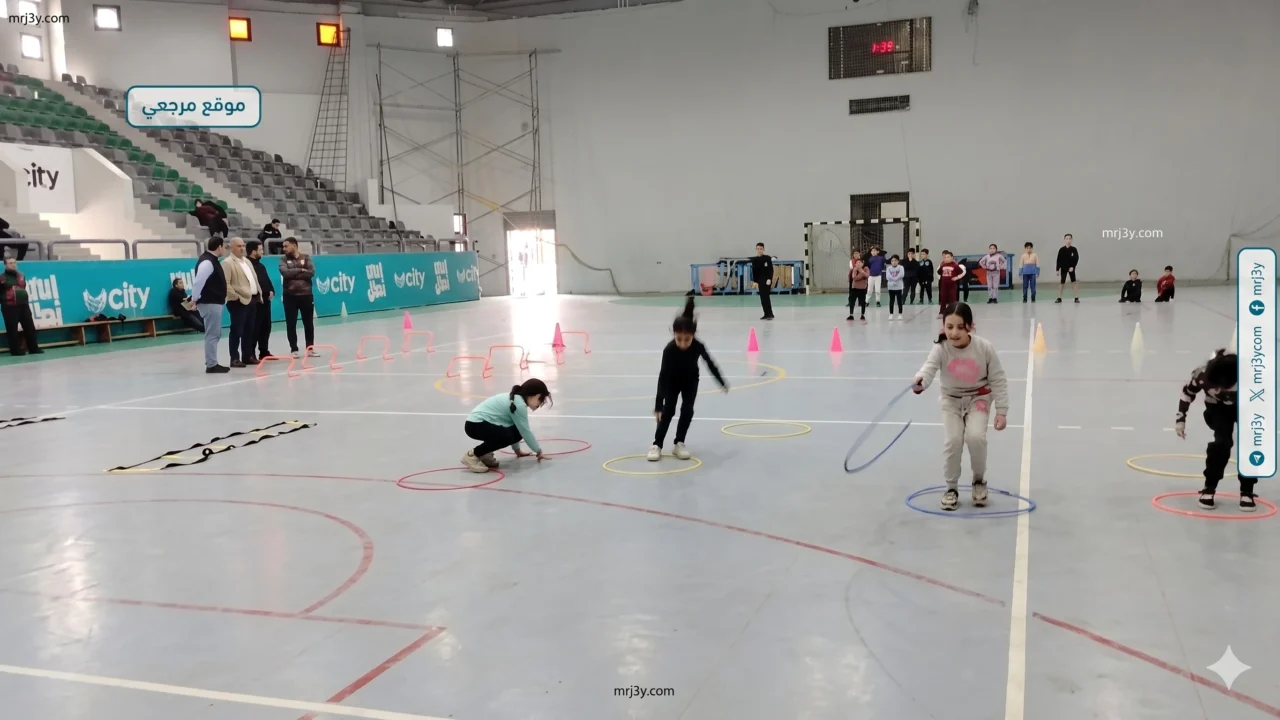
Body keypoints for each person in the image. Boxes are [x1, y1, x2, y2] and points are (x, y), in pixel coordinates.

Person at [912, 302, 1010, 511]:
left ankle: (978, 481)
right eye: (949, 327)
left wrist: (1001, 411)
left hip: (979, 399)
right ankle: (951, 488)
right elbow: (928, 369)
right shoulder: (941, 348)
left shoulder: (984, 348)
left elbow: (998, 379)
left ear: (970, 326)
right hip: (951, 400)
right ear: (943, 327)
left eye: (959, 327)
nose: (954, 333)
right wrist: (920, 381)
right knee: (953, 441)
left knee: (976, 438)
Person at [648, 297, 729, 462]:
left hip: (690, 381)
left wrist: (721, 381)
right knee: (668, 411)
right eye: (679, 339)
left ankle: (679, 443)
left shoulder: (698, 346)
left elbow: (710, 363)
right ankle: (657, 444)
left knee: (687, 410)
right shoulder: (669, 350)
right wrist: (658, 404)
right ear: (673, 334)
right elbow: (663, 376)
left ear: (693, 335)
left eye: (687, 339)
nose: (683, 344)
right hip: (672, 381)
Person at [1176, 350, 1255, 511]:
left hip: (1246, 406)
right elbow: (1187, 393)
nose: (1219, 389)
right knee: (1222, 443)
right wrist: (1180, 419)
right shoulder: (1202, 375)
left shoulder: (1251, 376)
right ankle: (1209, 488)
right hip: (1217, 409)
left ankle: (1247, 490)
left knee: (1250, 444)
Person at [462, 379, 553, 473]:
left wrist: (517, 450)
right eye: (541, 400)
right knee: (506, 435)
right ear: (537, 396)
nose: (540, 405)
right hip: (475, 425)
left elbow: (515, 428)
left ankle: (484, 453)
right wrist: (538, 451)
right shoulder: (519, 404)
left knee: (514, 433)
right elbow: (525, 431)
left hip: (476, 424)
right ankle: (472, 455)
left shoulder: (516, 400)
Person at [191, 237, 229, 373]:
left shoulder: (212, 260)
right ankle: (212, 364)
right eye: (224, 246)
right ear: (219, 247)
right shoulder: (207, 262)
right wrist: (194, 298)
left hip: (214, 302)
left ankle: (212, 362)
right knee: (212, 334)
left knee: (215, 333)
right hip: (210, 302)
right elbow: (199, 281)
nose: (225, 249)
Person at [221, 237, 260, 367]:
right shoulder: (227, 263)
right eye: (239, 246)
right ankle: (234, 358)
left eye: (243, 245)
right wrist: (236, 296)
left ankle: (247, 355)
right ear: (231, 248)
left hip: (251, 299)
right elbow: (225, 283)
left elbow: (253, 279)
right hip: (238, 301)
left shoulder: (247, 261)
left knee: (250, 330)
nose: (242, 248)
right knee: (237, 330)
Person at [279, 237, 318, 358]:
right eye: (283, 246)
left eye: (286, 246)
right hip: (289, 296)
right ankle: (294, 349)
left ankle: (310, 348)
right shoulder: (283, 259)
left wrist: (293, 273)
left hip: (306, 295)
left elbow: (311, 272)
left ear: (294, 246)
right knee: (291, 323)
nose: (284, 249)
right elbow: (285, 273)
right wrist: (301, 270)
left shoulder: (306, 257)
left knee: (308, 323)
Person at [1, 257, 41, 355]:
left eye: (14, 262)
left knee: (29, 327)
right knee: (12, 329)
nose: (13, 265)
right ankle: (15, 350)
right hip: (9, 307)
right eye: (10, 263)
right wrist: (4, 300)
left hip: (23, 305)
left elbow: (23, 287)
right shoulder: (2, 278)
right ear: (5, 265)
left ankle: (33, 348)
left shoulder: (21, 275)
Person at [247, 240, 275, 359]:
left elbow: (266, 280)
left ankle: (264, 351)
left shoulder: (261, 266)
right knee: (255, 327)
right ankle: (251, 353)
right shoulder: (248, 265)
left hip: (265, 301)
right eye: (260, 250)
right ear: (254, 252)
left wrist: (271, 290)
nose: (262, 252)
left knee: (266, 326)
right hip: (255, 301)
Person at [936, 250, 966, 318]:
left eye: (948, 257)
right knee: (943, 299)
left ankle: (953, 312)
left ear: (952, 257)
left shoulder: (955, 265)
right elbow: (939, 272)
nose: (946, 259)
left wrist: (957, 277)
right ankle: (942, 312)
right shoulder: (943, 265)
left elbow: (961, 272)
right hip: (944, 286)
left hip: (952, 285)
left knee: (952, 299)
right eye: (945, 257)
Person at [750, 242, 775, 321]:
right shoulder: (755, 260)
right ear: (756, 249)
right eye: (758, 249)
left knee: (766, 296)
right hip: (760, 280)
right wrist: (755, 281)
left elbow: (770, 269)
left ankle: (770, 313)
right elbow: (754, 271)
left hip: (766, 280)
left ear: (763, 249)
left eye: (761, 249)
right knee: (762, 297)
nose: (759, 250)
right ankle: (766, 313)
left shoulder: (767, 258)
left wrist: (769, 279)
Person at [1055, 233, 1079, 303]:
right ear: (1064, 240)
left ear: (1071, 240)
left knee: (1074, 282)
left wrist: (1073, 267)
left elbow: (1076, 258)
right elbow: (1058, 260)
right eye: (1067, 239)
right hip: (1063, 268)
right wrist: (1057, 269)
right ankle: (1059, 297)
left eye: (1069, 239)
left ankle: (1076, 297)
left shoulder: (1074, 249)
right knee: (1062, 282)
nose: (1068, 240)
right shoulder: (1061, 249)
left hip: (1071, 268)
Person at [847, 258, 870, 323]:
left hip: (862, 288)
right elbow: (855, 278)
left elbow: (867, 275)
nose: (858, 264)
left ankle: (862, 315)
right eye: (857, 263)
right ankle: (851, 315)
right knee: (852, 302)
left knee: (862, 302)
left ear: (863, 263)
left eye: (860, 262)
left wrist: (861, 271)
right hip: (855, 288)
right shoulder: (854, 269)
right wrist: (862, 274)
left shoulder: (866, 268)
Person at [885, 254, 905, 319]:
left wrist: (896, 278)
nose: (894, 262)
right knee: (891, 300)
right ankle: (891, 314)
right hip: (891, 287)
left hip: (899, 287)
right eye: (892, 261)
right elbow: (888, 276)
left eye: (895, 260)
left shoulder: (901, 267)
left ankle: (900, 314)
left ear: (898, 261)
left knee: (899, 300)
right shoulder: (888, 268)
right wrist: (893, 279)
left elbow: (901, 274)